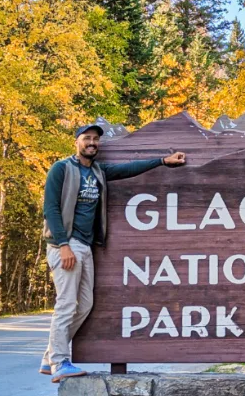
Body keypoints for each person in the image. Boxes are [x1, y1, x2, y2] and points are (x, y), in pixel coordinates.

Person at [40, 123, 186, 382]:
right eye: (87, 139)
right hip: (65, 244)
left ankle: (52, 355)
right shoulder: (61, 169)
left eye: (96, 139)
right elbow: (51, 209)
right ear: (77, 142)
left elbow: (128, 169)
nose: (92, 143)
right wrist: (63, 245)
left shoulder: (98, 171)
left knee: (84, 304)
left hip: (85, 246)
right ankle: (60, 362)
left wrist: (163, 161)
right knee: (66, 303)